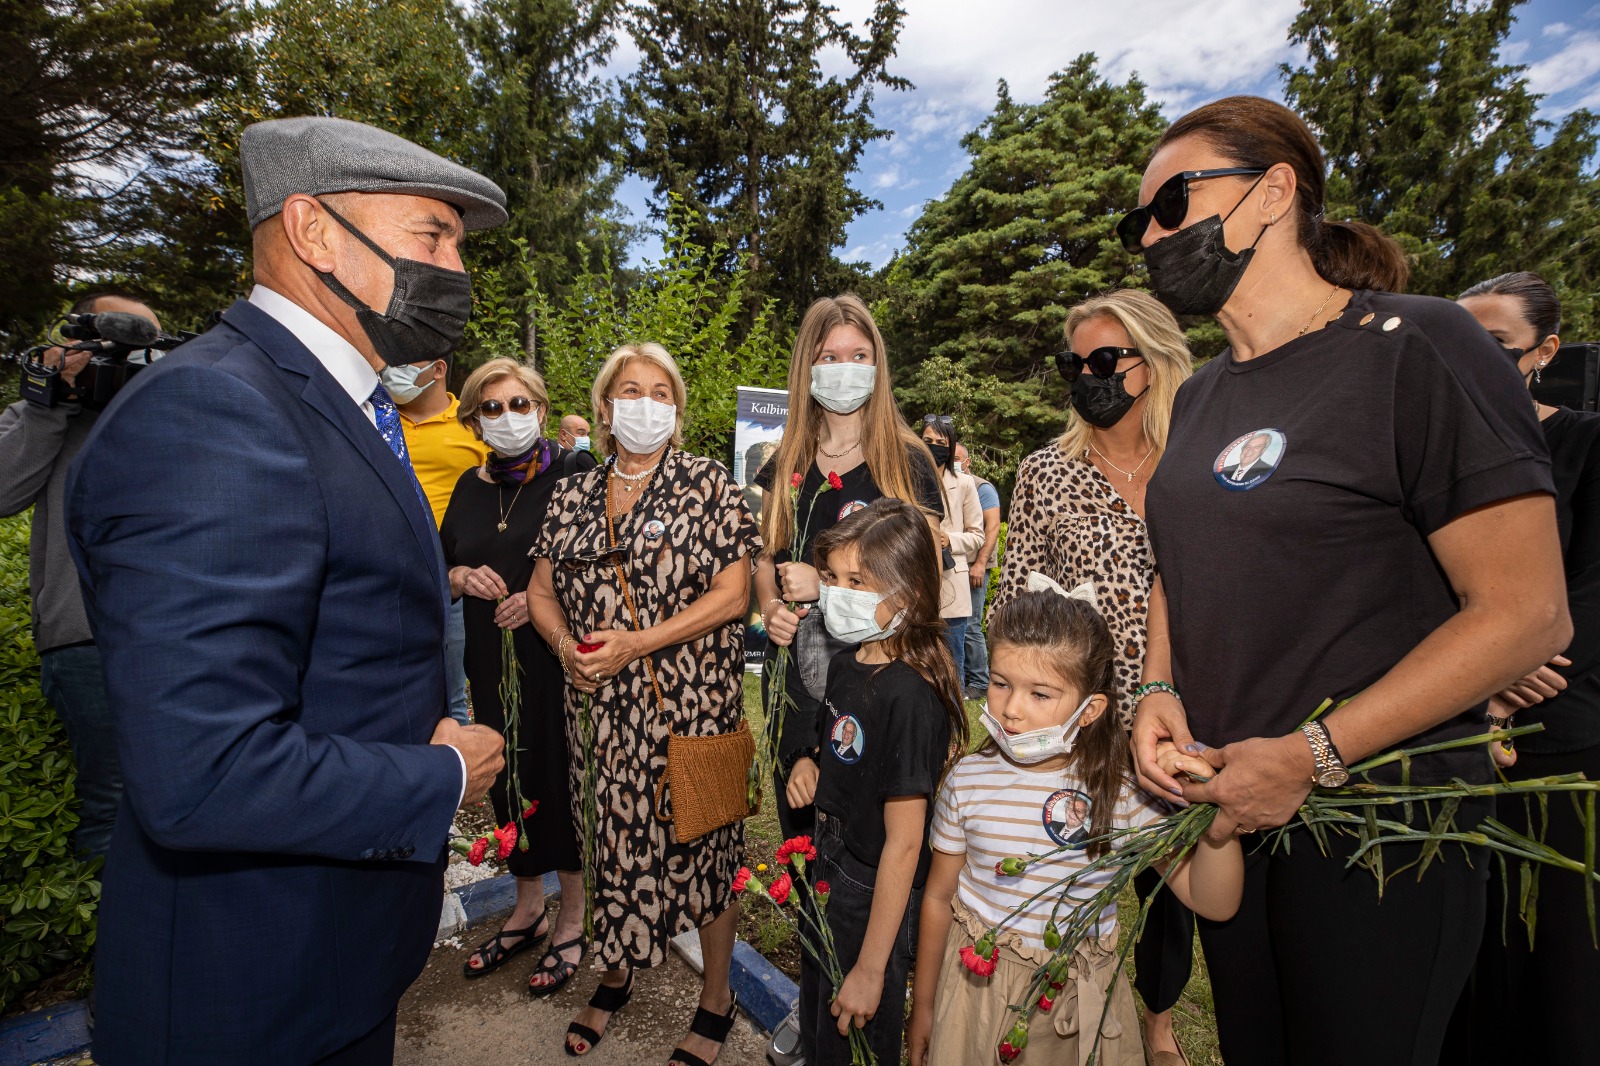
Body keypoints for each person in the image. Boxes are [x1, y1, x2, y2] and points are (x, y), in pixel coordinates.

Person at [1124, 96, 1569, 1066]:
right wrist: (1158, 688)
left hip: (1381, 830)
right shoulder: (1199, 398)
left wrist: (1311, 754)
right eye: (1137, 222)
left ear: (1274, 190)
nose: (1150, 235)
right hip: (1234, 816)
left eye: (1172, 202)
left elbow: (1526, 610)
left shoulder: (1420, 346)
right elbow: (1180, 563)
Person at [64, 115, 508, 1063]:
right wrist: (439, 776)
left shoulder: (332, 401)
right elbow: (204, 771)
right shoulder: (216, 411)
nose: (456, 270)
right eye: (434, 235)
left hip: (332, 960)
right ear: (313, 232)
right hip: (252, 990)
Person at [527, 342, 760, 1066]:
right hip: (600, 714)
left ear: (679, 411)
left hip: (694, 707)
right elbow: (539, 592)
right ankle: (619, 967)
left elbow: (735, 595)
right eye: (632, 389)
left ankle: (716, 996)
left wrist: (639, 642)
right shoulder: (570, 491)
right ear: (605, 406)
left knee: (709, 849)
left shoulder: (707, 483)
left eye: (662, 392)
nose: (646, 403)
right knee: (611, 843)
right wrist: (567, 649)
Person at [907, 586, 1243, 1066]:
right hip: (971, 995)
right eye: (1001, 683)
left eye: (1040, 693)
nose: (1012, 709)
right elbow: (940, 897)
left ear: (1090, 710)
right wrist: (924, 1008)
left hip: (1072, 1011)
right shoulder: (967, 778)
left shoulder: (1122, 791)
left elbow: (1215, 901)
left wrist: (1215, 821)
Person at [994, 288, 1196, 1064]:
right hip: (1081, 718)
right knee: (1078, 874)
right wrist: (1029, 702)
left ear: (1155, 361)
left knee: (1170, 886)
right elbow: (1014, 599)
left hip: (1188, 703)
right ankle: (1071, 1017)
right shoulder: (1049, 470)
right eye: (1074, 364)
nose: (1089, 376)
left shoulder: (1200, 462)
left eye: (1105, 360)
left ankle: (1159, 1021)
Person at [1449, 272, 1600, 1064]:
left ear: (1542, 352)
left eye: (1497, 348)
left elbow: (1589, 593)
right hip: (1448, 737)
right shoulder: (1434, 453)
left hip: (1558, 739)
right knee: (1459, 949)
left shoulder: (1586, 443)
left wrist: (1506, 676)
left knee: (1552, 949)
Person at [782, 498, 967, 1066]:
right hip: (827, 866)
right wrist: (807, 762)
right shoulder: (847, 662)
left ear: (908, 594)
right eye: (832, 577)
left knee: (854, 1034)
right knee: (819, 1014)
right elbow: (835, 739)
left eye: (856, 581)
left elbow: (906, 845)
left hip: (870, 892)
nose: (836, 591)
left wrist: (871, 967)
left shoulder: (910, 696)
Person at [754, 294, 944, 838]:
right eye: (830, 357)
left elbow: (926, 579)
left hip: (881, 669)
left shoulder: (905, 459)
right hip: (795, 675)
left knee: (867, 829)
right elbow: (766, 556)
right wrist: (770, 606)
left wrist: (834, 589)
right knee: (802, 828)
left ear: (878, 365)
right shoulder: (786, 459)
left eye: (859, 355)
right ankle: (813, 924)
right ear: (806, 368)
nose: (845, 370)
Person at [441, 358, 592, 986]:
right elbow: (441, 564)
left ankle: (576, 917)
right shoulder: (469, 488)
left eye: (519, 404)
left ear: (541, 407)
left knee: (559, 775)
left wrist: (538, 597)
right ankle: (528, 907)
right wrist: (459, 577)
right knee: (507, 777)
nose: (507, 417)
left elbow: (599, 567)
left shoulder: (575, 475)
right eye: (492, 408)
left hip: (552, 657)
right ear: (475, 419)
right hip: (487, 656)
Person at [1, 291, 160, 860]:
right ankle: (108, 939)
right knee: (111, 804)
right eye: (108, 344)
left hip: (173, 636)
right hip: (83, 640)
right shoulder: (41, 416)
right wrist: (49, 402)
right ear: (72, 343)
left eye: (142, 344)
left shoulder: (171, 412)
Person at [384, 354, 488, 725]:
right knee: (394, 684)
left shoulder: (470, 426)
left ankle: (461, 775)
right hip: (387, 574)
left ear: (439, 369)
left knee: (450, 692)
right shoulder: (378, 417)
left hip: (449, 578)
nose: (391, 370)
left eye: (406, 362)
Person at [919, 414, 983, 681]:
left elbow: (977, 536)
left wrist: (950, 540)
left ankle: (953, 721)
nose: (933, 446)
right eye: (927, 440)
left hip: (951, 588)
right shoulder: (907, 478)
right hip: (915, 583)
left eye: (940, 441)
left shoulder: (965, 483)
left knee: (951, 664)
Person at [953, 443, 1001, 699]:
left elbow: (993, 526)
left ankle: (980, 682)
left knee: (971, 625)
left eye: (957, 458)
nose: (953, 461)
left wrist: (981, 563)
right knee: (955, 624)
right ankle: (958, 681)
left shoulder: (983, 488)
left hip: (974, 565)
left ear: (968, 462)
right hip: (954, 563)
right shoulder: (948, 484)